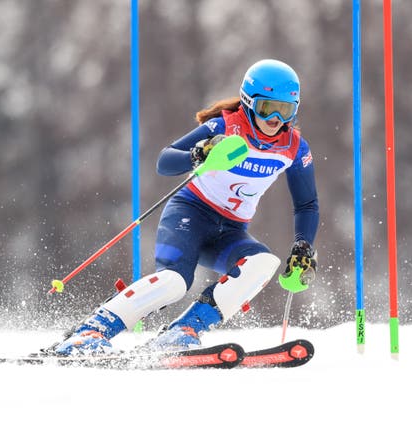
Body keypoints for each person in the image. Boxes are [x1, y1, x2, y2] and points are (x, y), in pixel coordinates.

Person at [52, 59, 319, 355]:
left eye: (286, 111)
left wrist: (302, 247)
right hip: (190, 215)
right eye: (269, 109)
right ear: (248, 102)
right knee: (174, 283)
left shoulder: (294, 148)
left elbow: (307, 204)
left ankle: (185, 329)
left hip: (229, 232)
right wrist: (200, 154)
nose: (276, 121)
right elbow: (164, 162)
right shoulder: (225, 127)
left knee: (263, 263)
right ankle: (90, 331)